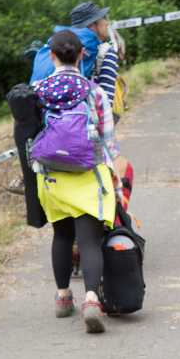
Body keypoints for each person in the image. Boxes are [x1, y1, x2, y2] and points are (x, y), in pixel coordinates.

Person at [32, 29, 121, 334]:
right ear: (83, 55)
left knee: (61, 235)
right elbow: (108, 139)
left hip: (51, 177)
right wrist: (113, 172)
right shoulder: (93, 90)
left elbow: (29, 134)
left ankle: (62, 298)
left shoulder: (38, 90)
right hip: (87, 173)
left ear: (52, 56)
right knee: (88, 240)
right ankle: (93, 300)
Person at [9, 1, 119, 195]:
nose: (107, 23)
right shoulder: (104, 52)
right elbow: (106, 104)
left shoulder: (55, 46)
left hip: (48, 144)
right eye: (104, 19)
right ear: (92, 25)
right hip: (83, 145)